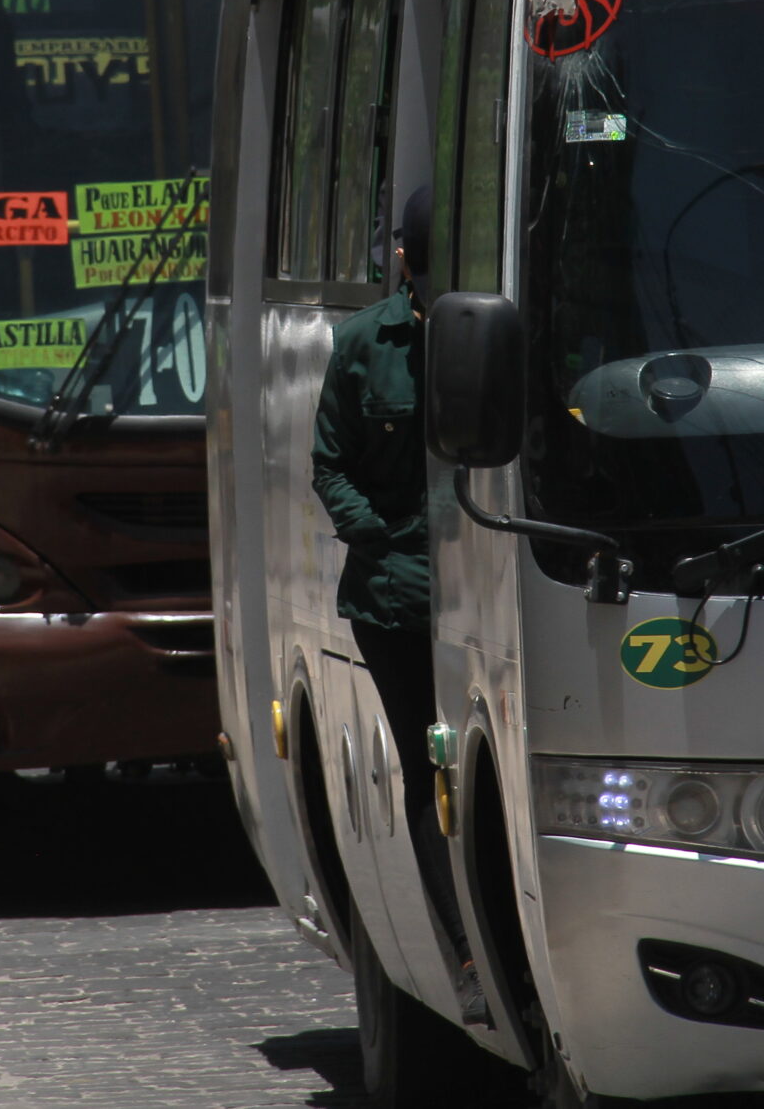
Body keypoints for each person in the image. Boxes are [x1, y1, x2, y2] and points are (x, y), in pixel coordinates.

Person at [309, 186, 485, 1024]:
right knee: (429, 768)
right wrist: (372, 534)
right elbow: (329, 464)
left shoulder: (491, 333)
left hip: (489, 593)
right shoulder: (362, 342)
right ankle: (461, 950)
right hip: (391, 600)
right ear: (406, 263)